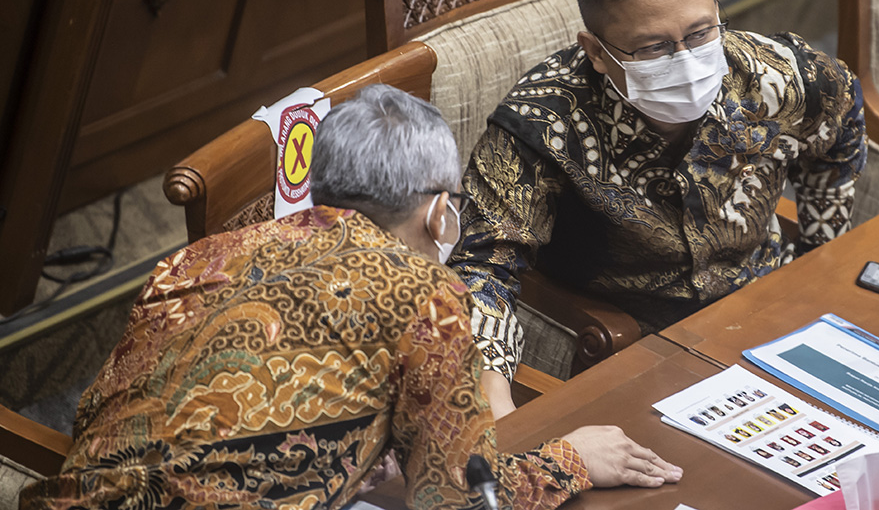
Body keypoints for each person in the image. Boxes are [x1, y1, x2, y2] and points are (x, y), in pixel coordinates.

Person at [19, 84, 681, 510]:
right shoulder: (427, 295)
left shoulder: (196, 257)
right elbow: (454, 498)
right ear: (439, 211)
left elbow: (110, 411)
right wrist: (573, 460)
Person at [451, 0, 867, 417]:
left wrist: (821, 263)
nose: (686, 61)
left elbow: (841, 125)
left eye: (698, 33)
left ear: (716, 5)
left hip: (767, 310)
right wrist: (493, 392)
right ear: (597, 52)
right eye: (653, 48)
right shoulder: (540, 122)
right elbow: (481, 265)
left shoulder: (782, 76)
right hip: (632, 344)